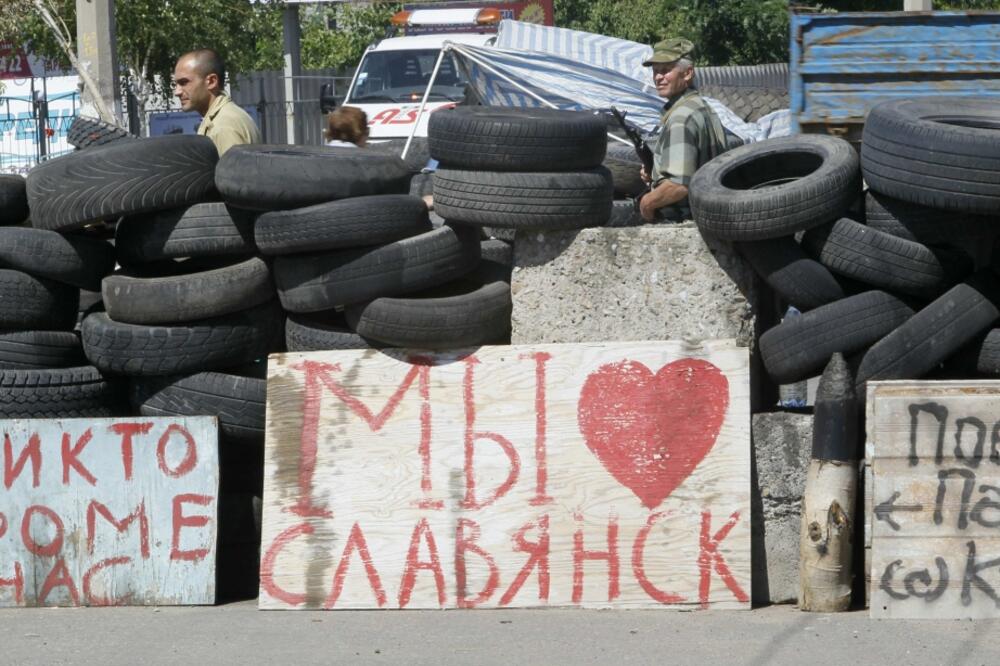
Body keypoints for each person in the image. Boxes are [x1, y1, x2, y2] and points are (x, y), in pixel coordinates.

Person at [639, 38, 728, 222]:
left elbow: (678, 185)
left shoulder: (681, 118)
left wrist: (646, 203)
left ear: (687, 73)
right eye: (655, 71)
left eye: (665, 70)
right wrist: (655, 173)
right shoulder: (701, 107)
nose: (658, 77)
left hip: (682, 221)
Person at [173, 48, 261, 155]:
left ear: (211, 81)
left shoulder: (223, 126)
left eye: (184, 82)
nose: (177, 92)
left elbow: (231, 171)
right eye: (176, 84)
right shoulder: (221, 118)